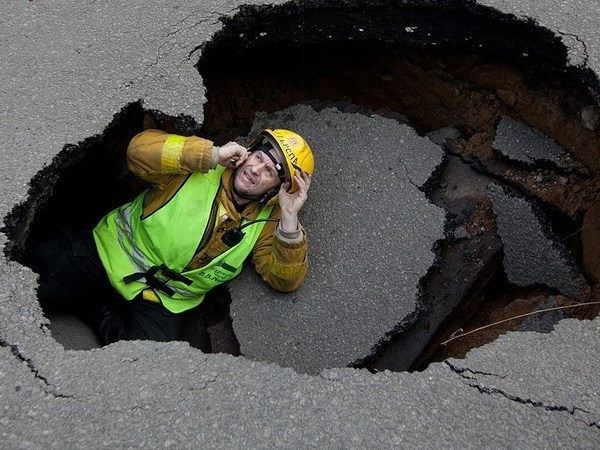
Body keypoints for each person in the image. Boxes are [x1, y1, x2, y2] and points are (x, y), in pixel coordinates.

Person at [30, 128, 314, 346]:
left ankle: (95, 307)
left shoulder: (268, 221)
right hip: (105, 253)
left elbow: (284, 280)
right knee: (30, 287)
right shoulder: (200, 164)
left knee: (142, 367)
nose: (255, 170)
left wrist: (289, 220)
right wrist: (211, 154)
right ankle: (84, 290)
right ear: (249, 151)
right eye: (259, 157)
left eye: (269, 172)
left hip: (162, 300)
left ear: (279, 187)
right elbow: (137, 151)